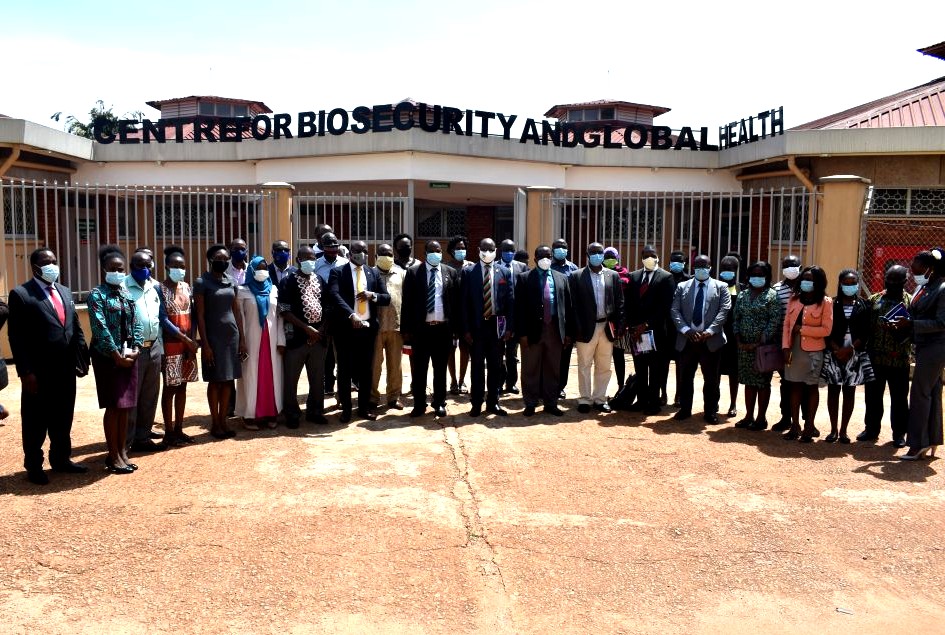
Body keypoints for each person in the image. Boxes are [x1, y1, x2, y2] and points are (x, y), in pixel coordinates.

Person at [8, 247, 89, 484]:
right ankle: (34, 465)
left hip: (65, 370)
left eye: (54, 261)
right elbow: (17, 337)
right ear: (35, 268)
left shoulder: (64, 291)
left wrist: (82, 358)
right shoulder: (21, 294)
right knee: (35, 421)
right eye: (47, 263)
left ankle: (61, 459)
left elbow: (74, 326)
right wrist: (25, 372)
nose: (53, 266)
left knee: (63, 417)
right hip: (39, 373)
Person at [87, 246, 142, 475]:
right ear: (104, 270)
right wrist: (115, 354)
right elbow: (99, 327)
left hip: (129, 356)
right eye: (113, 268)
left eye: (121, 268)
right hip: (107, 358)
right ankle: (113, 455)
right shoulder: (96, 295)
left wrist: (137, 347)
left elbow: (136, 322)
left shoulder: (127, 294)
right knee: (113, 406)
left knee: (126, 406)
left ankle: (122, 452)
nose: (117, 272)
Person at [328, 240, 391, 423]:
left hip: (367, 331)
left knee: (366, 371)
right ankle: (346, 409)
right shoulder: (338, 272)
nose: (362, 253)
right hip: (346, 330)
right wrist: (351, 315)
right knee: (345, 370)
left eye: (364, 250)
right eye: (358, 250)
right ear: (350, 253)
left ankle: (363, 408)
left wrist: (374, 295)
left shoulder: (372, 273)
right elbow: (334, 295)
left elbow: (386, 298)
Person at [893, 248, 945, 460]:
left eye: (916, 268)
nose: (911, 272)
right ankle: (932, 440)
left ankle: (917, 444)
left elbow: (942, 323)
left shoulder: (942, 289)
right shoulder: (924, 288)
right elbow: (915, 312)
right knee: (932, 392)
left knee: (919, 394)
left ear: (930, 269)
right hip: (924, 346)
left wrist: (911, 324)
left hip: (936, 347)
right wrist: (898, 323)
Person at [401, 240, 460, 418]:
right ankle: (419, 404)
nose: (436, 253)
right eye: (432, 251)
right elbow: (407, 303)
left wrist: (456, 329)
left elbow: (455, 304)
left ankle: (439, 403)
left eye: (439, 250)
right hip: (421, 330)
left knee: (440, 369)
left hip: (442, 329)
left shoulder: (450, 272)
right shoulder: (413, 272)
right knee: (420, 369)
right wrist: (406, 330)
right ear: (425, 253)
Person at [670, 254, 731, 423]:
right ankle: (685, 408)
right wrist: (686, 330)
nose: (701, 269)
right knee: (685, 377)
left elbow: (723, 311)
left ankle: (710, 411)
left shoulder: (721, 287)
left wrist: (710, 331)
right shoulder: (682, 286)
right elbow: (675, 311)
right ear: (693, 267)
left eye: (705, 266)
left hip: (710, 341)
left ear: (711, 267)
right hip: (687, 340)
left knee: (711, 379)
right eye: (698, 266)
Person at [515, 245, 575, 417]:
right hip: (533, 330)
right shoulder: (525, 278)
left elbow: (568, 308)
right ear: (534, 259)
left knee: (553, 368)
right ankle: (530, 403)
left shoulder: (562, 278)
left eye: (548, 256)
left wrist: (568, 333)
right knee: (530, 368)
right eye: (542, 256)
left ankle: (551, 402)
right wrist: (522, 334)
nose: (546, 259)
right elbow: (519, 309)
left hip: (555, 329)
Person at [194, 244, 246, 439]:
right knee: (215, 381)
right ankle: (215, 422)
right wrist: (205, 344)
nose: (223, 262)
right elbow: (200, 315)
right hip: (213, 338)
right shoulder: (202, 282)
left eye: (226, 259)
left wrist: (242, 339)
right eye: (219, 258)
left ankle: (224, 421)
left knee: (228, 381)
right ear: (210, 259)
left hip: (231, 337)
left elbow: (237, 312)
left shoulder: (231, 281)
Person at [459, 238, 515, 417]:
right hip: (477, 328)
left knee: (496, 367)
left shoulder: (504, 272)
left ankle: (493, 402)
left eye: (491, 249)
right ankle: (476, 403)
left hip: (497, 328)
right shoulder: (468, 272)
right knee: (476, 367)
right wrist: (466, 330)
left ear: (496, 250)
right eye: (484, 248)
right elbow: (464, 304)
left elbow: (510, 302)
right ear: (478, 250)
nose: (487, 252)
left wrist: (509, 328)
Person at [820, 269, 874, 443]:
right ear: (840, 284)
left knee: (849, 391)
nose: (849, 286)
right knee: (833, 391)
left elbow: (866, 332)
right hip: (834, 352)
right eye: (846, 283)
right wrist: (837, 349)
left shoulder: (864, 305)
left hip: (854, 354)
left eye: (853, 283)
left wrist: (849, 349)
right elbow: (826, 330)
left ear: (857, 284)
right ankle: (833, 429)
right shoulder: (831, 304)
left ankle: (844, 430)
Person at [279, 245, 330, 428]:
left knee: (317, 378)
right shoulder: (288, 281)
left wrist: (320, 330)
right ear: (298, 260)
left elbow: (327, 307)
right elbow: (284, 310)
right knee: (291, 378)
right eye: (306, 257)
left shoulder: (320, 279)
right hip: (297, 339)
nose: (310, 261)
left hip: (319, 338)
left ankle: (315, 411)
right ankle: (292, 413)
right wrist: (306, 328)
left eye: (313, 257)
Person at [570, 243, 624, 414]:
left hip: (606, 326)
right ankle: (585, 399)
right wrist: (576, 328)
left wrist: (619, 326)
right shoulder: (576, 276)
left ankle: (600, 399)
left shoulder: (613, 276)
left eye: (599, 252)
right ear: (587, 254)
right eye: (593, 252)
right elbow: (573, 306)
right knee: (584, 364)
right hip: (586, 327)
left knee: (604, 365)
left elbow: (620, 302)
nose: (597, 255)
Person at [861, 265, 912, 446]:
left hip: (899, 360)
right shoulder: (875, 299)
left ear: (905, 282)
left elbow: (914, 333)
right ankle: (871, 430)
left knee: (899, 399)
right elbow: (865, 327)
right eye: (890, 281)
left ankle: (899, 434)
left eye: (897, 282)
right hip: (876, 359)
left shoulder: (911, 302)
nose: (893, 285)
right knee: (873, 397)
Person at [781, 266, 833, 442]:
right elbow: (787, 325)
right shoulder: (793, 299)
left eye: (810, 279)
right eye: (804, 278)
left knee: (811, 387)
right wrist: (785, 347)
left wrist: (802, 329)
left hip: (814, 351)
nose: (806, 282)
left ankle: (809, 426)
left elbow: (826, 330)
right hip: (794, 349)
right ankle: (795, 425)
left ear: (818, 282)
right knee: (794, 386)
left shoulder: (825, 302)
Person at [125, 248, 168, 453]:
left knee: (150, 395)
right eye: (139, 266)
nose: (144, 269)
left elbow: (160, 318)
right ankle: (125, 442)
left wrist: (160, 346)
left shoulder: (155, 286)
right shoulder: (124, 286)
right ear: (131, 267)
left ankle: (143, 437)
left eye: (147, 265)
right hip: (134, 349)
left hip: (154, 348)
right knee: (132, 397)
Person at [733, 261, 784, 431]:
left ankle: (761, 418)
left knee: (762, 382)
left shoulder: (772, 295)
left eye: (761, 274)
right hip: (744, 347)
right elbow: (736, 318)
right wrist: (739, 340)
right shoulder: (742, 295)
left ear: (767, 276)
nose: (757, 277)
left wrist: (760, 341)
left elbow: (774, 320)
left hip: (763, 348)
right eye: (754, 274)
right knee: (748, 382)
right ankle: (748, 416)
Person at [625, 245, 674, 415]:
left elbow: (665, 307)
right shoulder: (634, 276)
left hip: (656, 332)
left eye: (652, 255)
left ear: (658, 257)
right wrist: (632, 326)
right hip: (637, 334)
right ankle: (642, 400)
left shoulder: (666, 277)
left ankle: (653, 402)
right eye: (646, 255)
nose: (649, 258)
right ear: (641, 258)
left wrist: (645, 325)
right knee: (640, 367)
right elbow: (629, 303)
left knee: (655, 368)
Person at [236, 256, 285, 430]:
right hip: (251, 340)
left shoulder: (273, 290)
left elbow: (279, 317)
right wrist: (241, 341)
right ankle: (250, 415)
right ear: (252, 270)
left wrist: (281, 340)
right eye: (259, 268)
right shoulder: (243, 291)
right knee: (251, 376)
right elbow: (239, 319)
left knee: (272, 377)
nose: (263, 271)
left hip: (271, 342)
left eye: (265, 267)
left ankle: (271, 412)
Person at [158, 246, 199, 447]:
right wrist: (185, 339)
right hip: (171, 345)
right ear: (166, 266)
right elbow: (163, 319)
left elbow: (193, 316)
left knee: (182, 387)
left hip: (187, 346)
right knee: (169, 388)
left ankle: (179, 429)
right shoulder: (160, 288)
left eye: (182, 266)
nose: (179, 269)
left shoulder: (186, 287)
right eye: (174, 265)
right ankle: (168, 431)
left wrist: (191, 342)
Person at [371, 243, 406, 410]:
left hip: (396, 326)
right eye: (383, 253)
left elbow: (407, 300)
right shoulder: (369, 273)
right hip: (375, 328)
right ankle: (372, 397)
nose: (387, 257)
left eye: (390, 254)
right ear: (376, 256)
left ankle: (393, 397)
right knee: (374, 365)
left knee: (395, 366)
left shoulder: (401, 273)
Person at [771, 255, 802, 431]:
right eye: (787, 266)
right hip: (783, 343)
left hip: (803, 342)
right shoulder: (776, 290)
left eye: (793, 265)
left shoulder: (807, 288)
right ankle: (786, 417)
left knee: (803, 382)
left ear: (800, 266)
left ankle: (805, 420)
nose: (790, 268)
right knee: (786, 381)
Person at [315, 232, 347, 398]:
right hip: (322, 313)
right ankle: (328, 384)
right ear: (322, 247)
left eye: (335, 246)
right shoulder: (316, 264)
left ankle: (345, 386)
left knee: (342, 352)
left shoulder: (344, 263)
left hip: (341, 312)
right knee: (325, 354)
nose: (333, 249)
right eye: (329, 246)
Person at [551, 238, 579, 398]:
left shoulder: (573, 269)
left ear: (567, 249)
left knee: (565, 355)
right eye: (557, 247)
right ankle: (547, 385)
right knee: (549, 354)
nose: (561, 249)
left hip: (567, 319)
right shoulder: (548, 266)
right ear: (553, 249)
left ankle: (561, 386)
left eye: (563, 247)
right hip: (552, 318)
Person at [499, 238, 528, 394]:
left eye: (512, 250)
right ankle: (499, 381)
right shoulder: (495, 267)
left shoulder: (522, 267)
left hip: (516, 318)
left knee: (512, 354)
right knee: (498, 353)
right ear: (500, 251)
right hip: (499, 317)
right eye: (506, 250)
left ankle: (511, 383)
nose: (509, 253)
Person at [446, 235, 474, 395]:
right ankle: (453, 381)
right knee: (451, 348)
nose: (461, 251)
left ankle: (462, 380)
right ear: (451, 250)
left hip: (467, 316)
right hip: (450, 315)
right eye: (458, 248)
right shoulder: (446, 267)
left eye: (463, 248)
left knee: (465, 348)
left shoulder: (471, 267)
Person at [603, 247, 631, 392]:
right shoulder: (598, 273)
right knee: (602, 358)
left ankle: (621, 387)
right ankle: (600, 391)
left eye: (612, 257)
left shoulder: (626, 274)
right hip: (602, 321)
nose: (609, 259)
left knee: (618, 355)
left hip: (619, 322)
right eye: (606, 257)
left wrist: (623, 322)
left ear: (618, 258)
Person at [718, 254, 743, 418]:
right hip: (717, 335)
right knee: (716, 371)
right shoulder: (715, 286)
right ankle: (714, 402)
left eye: (731, 269)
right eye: (724, 269)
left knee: (734, 372)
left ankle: (733, 403)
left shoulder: (742, 289)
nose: (727, 272)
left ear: (736, 270)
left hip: (735, 337)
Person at [665, 250, 691, 407]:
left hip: (682, 329)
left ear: (684, 264)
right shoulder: (664, 278)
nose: (676, 264)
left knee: (681, 363)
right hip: (665, 327)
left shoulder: (689, 280)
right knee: (663, 363)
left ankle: (679, 394)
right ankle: (663, 394)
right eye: (673, 261)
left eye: (679, 261)